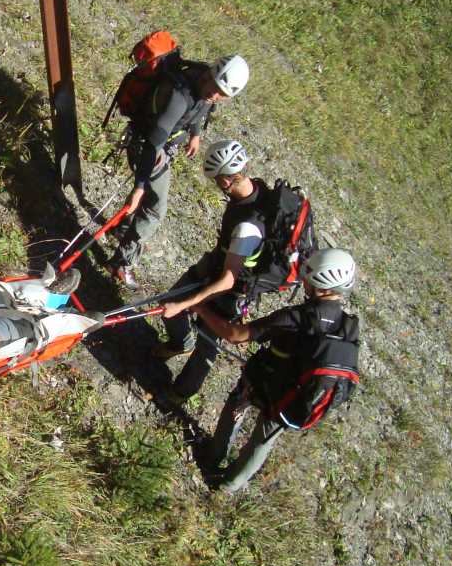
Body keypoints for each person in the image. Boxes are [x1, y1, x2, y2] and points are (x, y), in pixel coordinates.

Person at [192, 248, 359, 491]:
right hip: (296, 397)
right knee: (264, 440)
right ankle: (230, 485)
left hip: (263, 381)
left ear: (320, 285)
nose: (303, 280)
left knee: (236, 407)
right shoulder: (348, 326)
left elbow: (236, 335)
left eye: (308, 277)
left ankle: (213, 456)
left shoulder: (297, 317)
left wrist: (200, 308)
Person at [109, 54, 249, 287]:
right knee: (155, 209)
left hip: (158, 147)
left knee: (148, 198)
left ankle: (122, 229)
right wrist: (139, 187)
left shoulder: (201, 81)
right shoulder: (180, 97)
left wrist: (195, 134)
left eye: (221, 94)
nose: (214, 96)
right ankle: (121, 263)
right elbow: (153, 144)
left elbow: (200, 109)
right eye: (214, 89)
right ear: (210, 75)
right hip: (148, 149)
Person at [155, 139, 270, 404]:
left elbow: (228, 280)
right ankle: (180, 343)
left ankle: (180, 393)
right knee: (171, 300)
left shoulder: (247, 228)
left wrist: (187, 304)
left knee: (208, 343)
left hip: (232, 289)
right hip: (216, 264)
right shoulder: (255, 190)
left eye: (217, 180)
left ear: (226, 180)